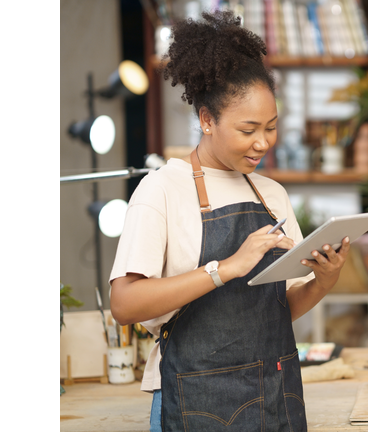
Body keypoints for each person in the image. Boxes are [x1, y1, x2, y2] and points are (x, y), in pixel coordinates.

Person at [109, 10, 349, 432]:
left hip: (277, 394)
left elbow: (274, 311)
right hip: (197, 398)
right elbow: (124, 304)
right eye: (248, 129)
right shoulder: (162, 190)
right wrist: (225, 269)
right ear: (206, 120)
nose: (262, 143)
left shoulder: (272, 195)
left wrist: (323, 282)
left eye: (271, 127)